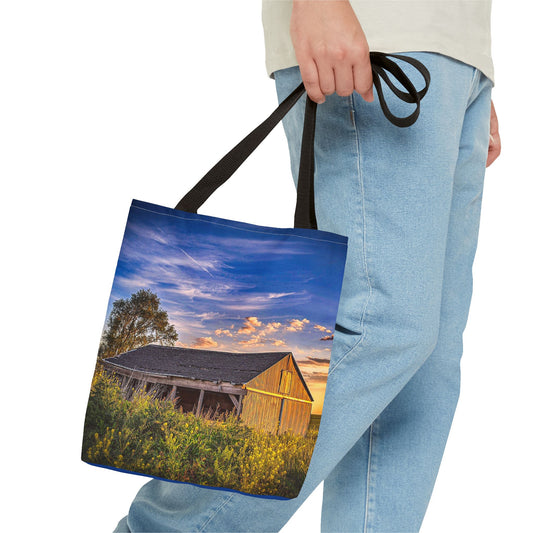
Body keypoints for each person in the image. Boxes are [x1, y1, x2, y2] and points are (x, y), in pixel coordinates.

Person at [114, 1, 501, 531]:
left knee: (423, 372)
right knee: (379, 328)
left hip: (452, 51)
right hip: (375, 30)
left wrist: (468, 64)